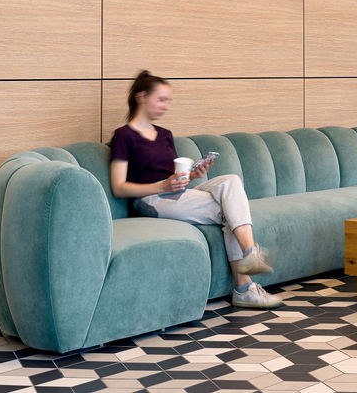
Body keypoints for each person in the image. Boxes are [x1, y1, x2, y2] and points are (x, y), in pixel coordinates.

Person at [108, 70, 282, 309]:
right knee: (229, 211)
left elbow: (176, 178)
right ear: (141, 97)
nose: (166, 106)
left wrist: (192, 175)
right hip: (151, 199)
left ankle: (250, 254)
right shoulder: (124, 136)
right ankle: (244, 286)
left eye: (168, 100)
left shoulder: (165, 135)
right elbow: (119, 187)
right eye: (161, 99)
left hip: (177, 193)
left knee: (230, 181)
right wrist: (162, 185)